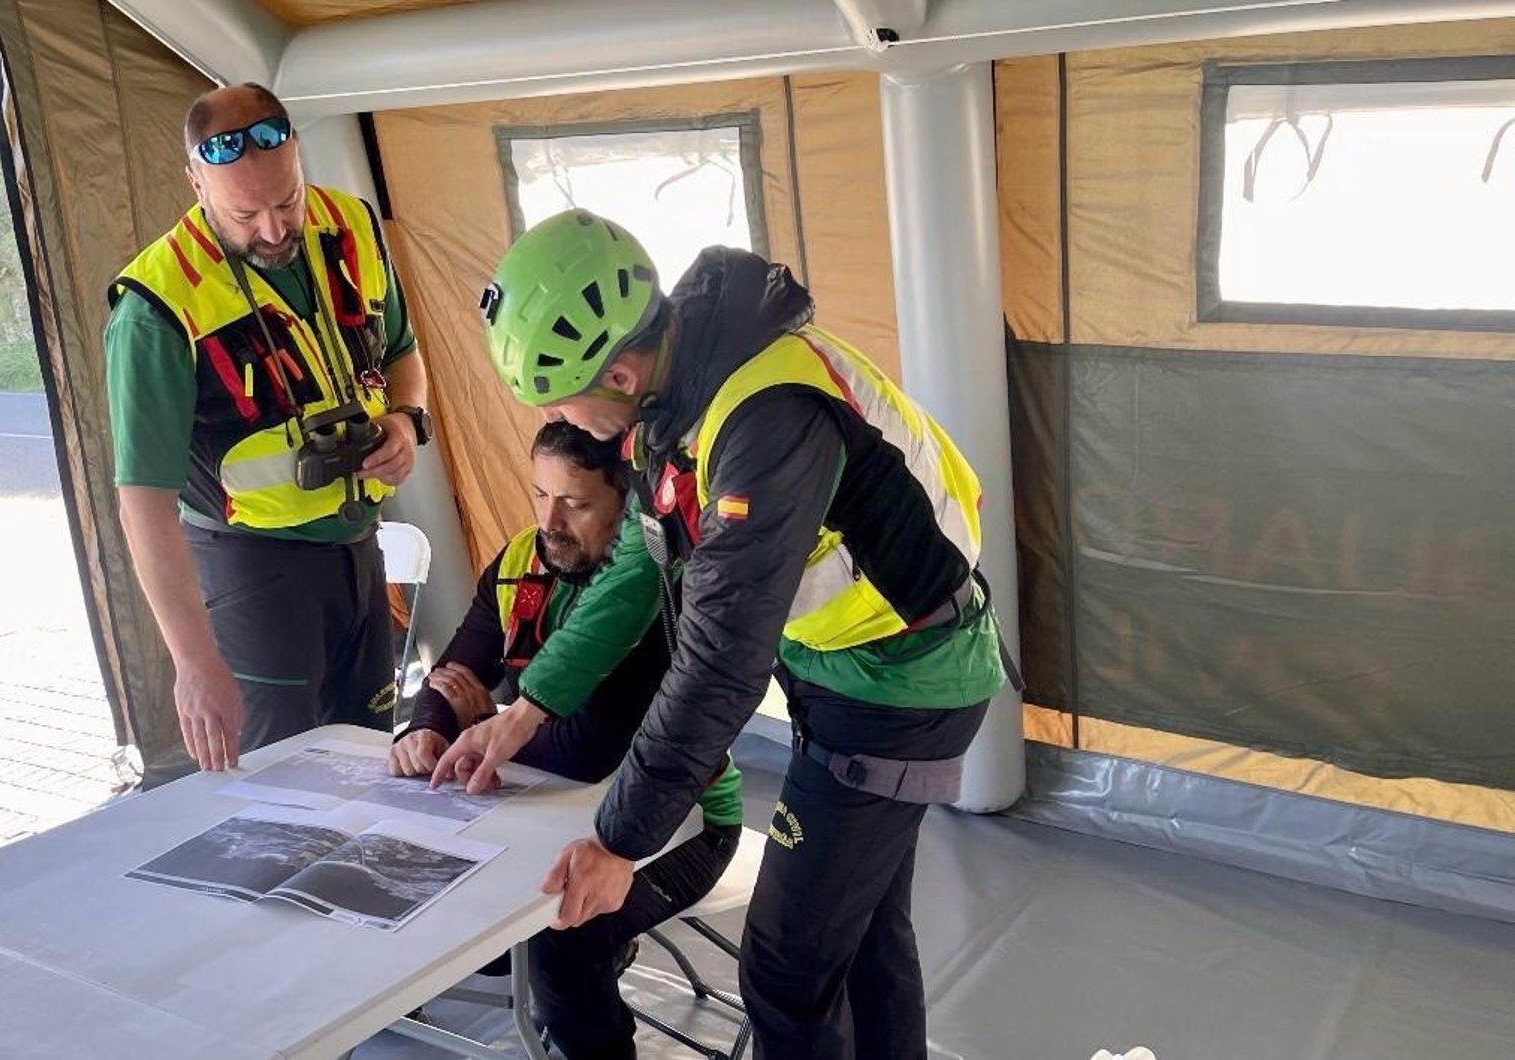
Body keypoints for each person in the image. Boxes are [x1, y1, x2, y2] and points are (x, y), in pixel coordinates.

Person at [436, 209, 1008, 1059]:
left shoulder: (766, 418)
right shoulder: (683, 395)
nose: (562, 418)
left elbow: (720, 661)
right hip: (848, 670)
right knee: (861, 941)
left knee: (785, 968)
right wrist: (526, 710)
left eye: (562, 398)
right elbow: (641, 561)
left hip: (899, 686)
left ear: (624, 373)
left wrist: (618, 841)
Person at [105, 82, 433, 784]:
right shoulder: (154, 308)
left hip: (355, 547)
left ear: (300, 158)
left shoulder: (350, 227)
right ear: (195, 183)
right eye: (244, 213)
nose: (274, 230)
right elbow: (142, 505)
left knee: (369, 763)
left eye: (287, 201)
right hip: (252, 569)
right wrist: (194, 665)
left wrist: (405, 419)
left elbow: (404, 352)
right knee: (281, 792)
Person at [389, 421, 741, 1060]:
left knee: (563, 937)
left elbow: (588, 751)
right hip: (555, 815)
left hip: (685, 828)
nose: (551, 520)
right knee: (466, 917)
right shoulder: (521, 558)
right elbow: (456, 667)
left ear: (628, 506)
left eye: (576, 503)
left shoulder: (656, 585)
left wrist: (481, 723)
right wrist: (425, 729)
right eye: (539, 495)